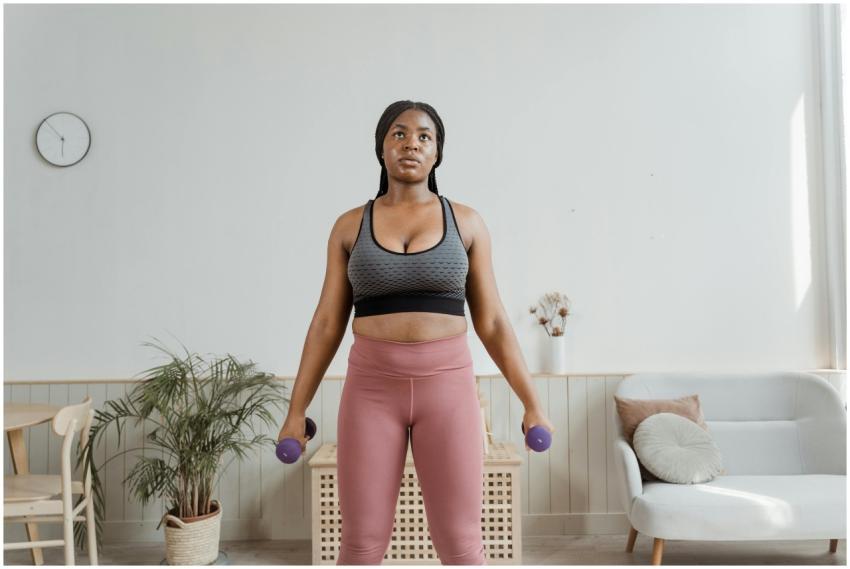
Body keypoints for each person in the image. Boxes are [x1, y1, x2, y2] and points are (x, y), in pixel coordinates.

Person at [277, 100, 555, 565]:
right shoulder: (349, 226)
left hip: (447, 390)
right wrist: (295, 411)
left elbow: (491, 321)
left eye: (425, 136)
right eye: (399, 134)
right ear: (381, 149)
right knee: (361, 545)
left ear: (438, 152)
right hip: (370, 391)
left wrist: (534, 404)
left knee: (462, 544)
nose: (412, 143)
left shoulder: (466, 222)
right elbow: (327, 323)